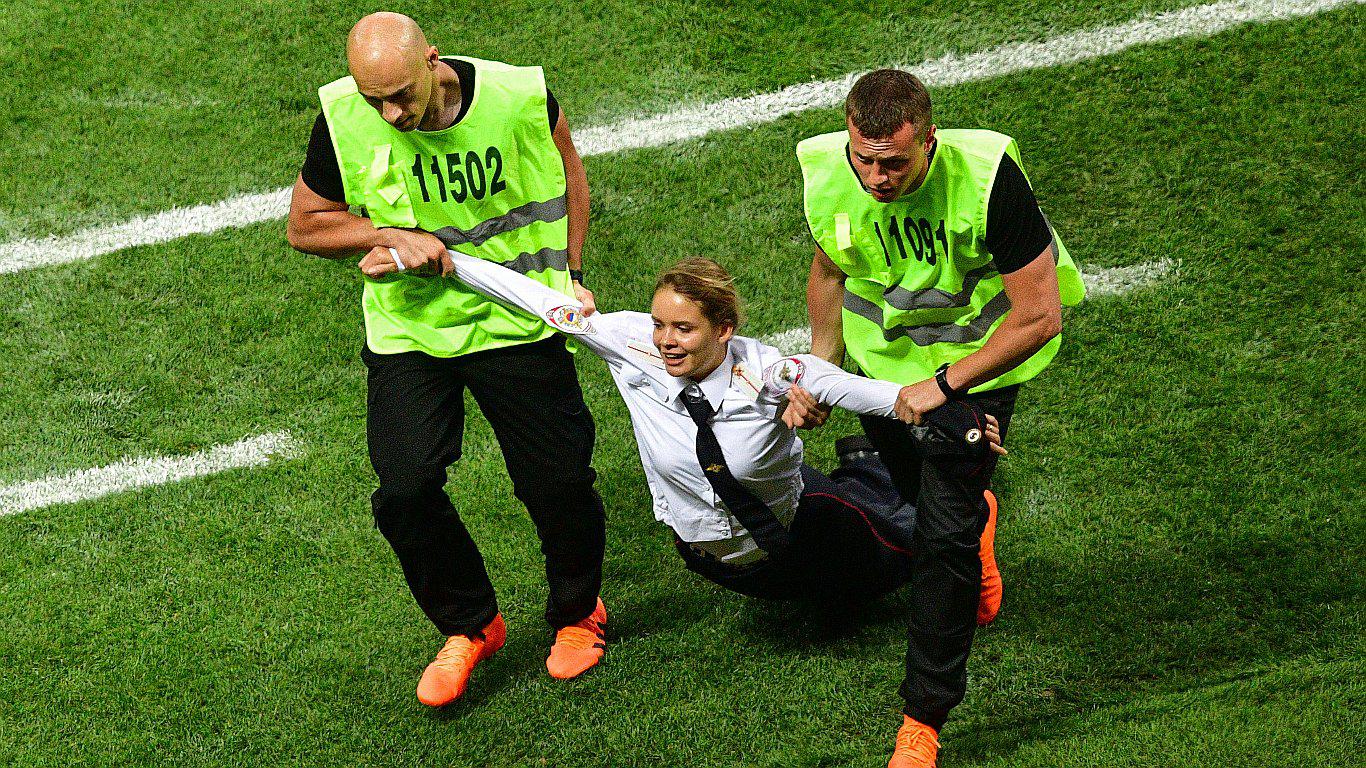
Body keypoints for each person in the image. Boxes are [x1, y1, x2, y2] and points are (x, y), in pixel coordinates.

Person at [361, 249, 1005, 629]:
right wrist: (440, 260)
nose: (666, 340)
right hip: (708, 559)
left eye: (685, 330)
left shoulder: (776, 372)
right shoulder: (628, 342)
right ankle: (863, 469)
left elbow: (892, 398)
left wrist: (963, 419)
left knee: (901, 566)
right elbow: (526, 297)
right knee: (815, 580)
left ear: (724, 330)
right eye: (661, 323)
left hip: (800, 535)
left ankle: (962, 518)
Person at [285, 12, 608, 707]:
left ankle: (580, 613)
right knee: (404, 488)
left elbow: (569, 171)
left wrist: (574, 270)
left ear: (434, 62)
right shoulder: (343, 118)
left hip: (519, 319)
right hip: (413, 332)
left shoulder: (521, 96)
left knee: (556, 481)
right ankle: (471, 625)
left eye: (402, 95)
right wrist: (387, 233)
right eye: (376, 100)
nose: (390, 113)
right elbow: (305, 226)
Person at [791, 69, 1087, 766]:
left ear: (930, 138)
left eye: (892, 162)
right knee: (916, 491)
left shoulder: (989, 180)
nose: (874, 177)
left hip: (981, 364)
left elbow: (1040, 315)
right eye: (863, 158)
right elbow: (831, 270)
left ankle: (923, 718)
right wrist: (821, 371)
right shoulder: (833, 172)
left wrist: (944, 385)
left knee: (942, 535)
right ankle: (975, 521)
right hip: (886, 369)